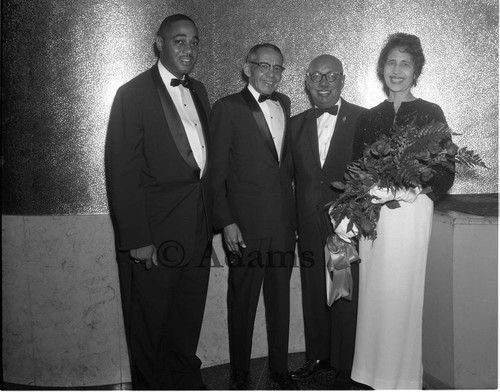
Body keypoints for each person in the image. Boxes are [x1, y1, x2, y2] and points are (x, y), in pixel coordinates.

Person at [105, 14, 213, 390]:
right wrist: (137, 238)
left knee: (187, 317)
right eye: (179, 40)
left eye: (194, 41)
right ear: (159, 43)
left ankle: (184, 379)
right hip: (154, 232)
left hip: (197, 229)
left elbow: (202, 163)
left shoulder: (198, 90)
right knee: (149, 323)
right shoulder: (131, 94)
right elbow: (123, 172)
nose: (189, 48)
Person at [349, 33, 455, 389]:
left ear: (416, 70)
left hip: (410, 215)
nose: (397, 70)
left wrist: (416, 187)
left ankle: (404, 379)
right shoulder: (369, 118)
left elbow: (446, 170)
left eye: (404, 64)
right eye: (391, 63)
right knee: (374, 294)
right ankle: (370, 374)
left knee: (403, 295)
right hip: (373, 216)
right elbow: (355, 169)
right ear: (382, 69)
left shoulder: (430, 112)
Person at [210, 43, 297, 390]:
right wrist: (227, 221)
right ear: (247, 68)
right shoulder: (227, 108)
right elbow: (215, 174)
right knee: (242, 304)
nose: (271, 74)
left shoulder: (286, 104)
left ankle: (279, 369)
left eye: (278, 68)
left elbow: (283, 167)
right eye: (264, 66)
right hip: (244, 228)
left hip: (281, 225)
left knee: (280, 302)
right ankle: (240, 374)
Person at [290, 55, 367, 385]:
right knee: (312, 290)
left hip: (345, 223)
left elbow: (370, 174)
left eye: (330, 76)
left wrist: (353, 218)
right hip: (307, 221)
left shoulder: (363, 120)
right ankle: (318, 356)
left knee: (343, 290)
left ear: (343, 80)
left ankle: (345, 364)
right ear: (306, 81)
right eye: (316, 76)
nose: (323, 83)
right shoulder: (294, 125)